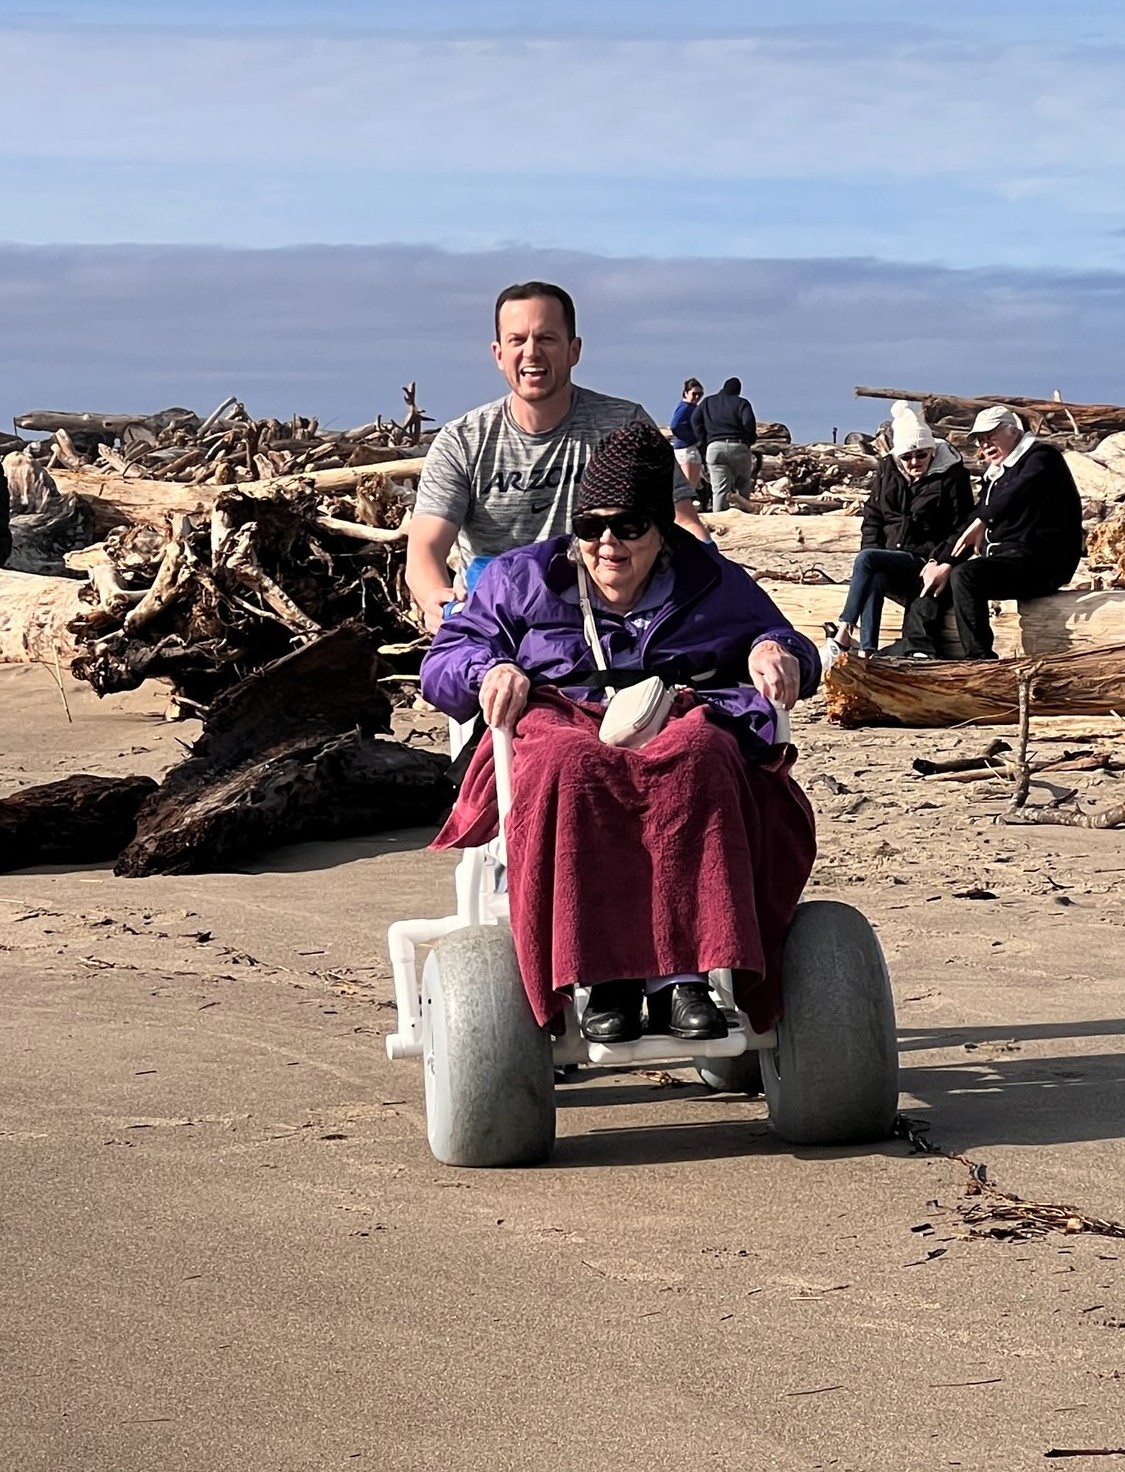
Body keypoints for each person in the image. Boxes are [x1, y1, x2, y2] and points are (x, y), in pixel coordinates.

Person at [420, 421, 819, 1047]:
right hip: (560, 714)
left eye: (629, 527)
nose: (607, 543)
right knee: (571, 760)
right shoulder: (522, 577)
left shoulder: (710, 579)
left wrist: (777, 650)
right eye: (591, 526)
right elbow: (447, 658)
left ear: (661, 532)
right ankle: (604, 976)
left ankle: (684, 976)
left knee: (702, 752)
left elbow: (782, 634)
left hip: (673, 710)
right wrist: (490, 667)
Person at [405, 281, 708, 633]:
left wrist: (711, 587)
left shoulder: (624, 426)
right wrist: (435, 599)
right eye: (517, 340)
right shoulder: (463, 441)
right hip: (503, 618)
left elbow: (683, 522)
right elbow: (424, 548)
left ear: (573, 350)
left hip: (615, 616)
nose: (532, 352)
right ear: (498, 353)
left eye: (547, 338)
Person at [899, 405, 1084, 660]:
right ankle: (916, 649)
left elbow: (1017, 493)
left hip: (1041, 563)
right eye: (981, 440)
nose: (985, 445)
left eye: (990, 437)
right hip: (1006, 561)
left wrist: (985, 520)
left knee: (966, 576)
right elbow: (970, 523)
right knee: (936, 576)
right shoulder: (995, 475)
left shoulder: (1041, 458)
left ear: (1013, 432)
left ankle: (980, 659)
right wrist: (939, 561)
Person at [825, 401, 973, 657]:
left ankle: (843, 630)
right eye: (906, 456)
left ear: (932, 451)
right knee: (875, 572)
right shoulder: (887, 470)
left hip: (925, 558)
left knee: (867, 558)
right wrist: (876, 549)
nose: (914, 461)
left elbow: (962, 525)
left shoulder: (952, 476)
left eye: (921, 454)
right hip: (892, 554)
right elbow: (873, 516)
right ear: (897, 456)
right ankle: (868, 650)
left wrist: (942, 560)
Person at [691, 375, 757, 512]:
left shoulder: (708, 402)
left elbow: (695, 420)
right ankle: (745, 516)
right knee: (743, 484)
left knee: (719, 490)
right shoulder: (742, 403)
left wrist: (705, 440)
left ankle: (719, 520)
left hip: (715, 448)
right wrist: (749, 439)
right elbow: (748, 422)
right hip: (739, 446)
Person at [669, 377, 704, 491]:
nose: (697, 397)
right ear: (686, 393)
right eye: (694, 394)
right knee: (688, 484)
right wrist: (693, 439)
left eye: (700, 394)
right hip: (686, 449)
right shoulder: (685, 408)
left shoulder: (692, 408)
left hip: (689, 448)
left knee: (692, 484)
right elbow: (675, 425)